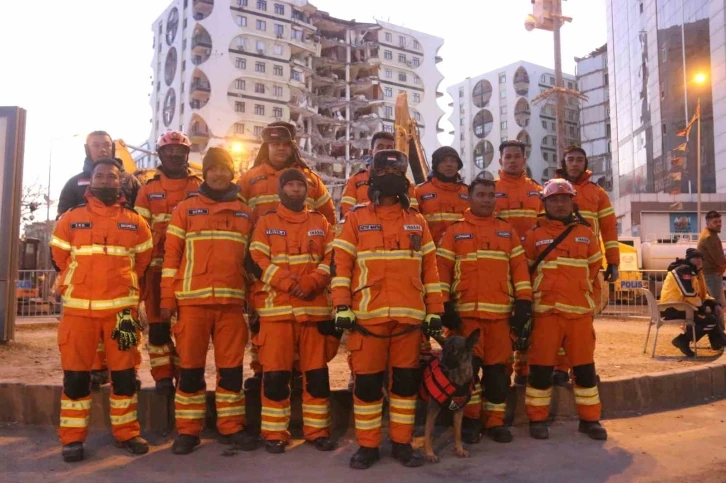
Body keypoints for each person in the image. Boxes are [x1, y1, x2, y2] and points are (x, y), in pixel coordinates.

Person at [332, 149, 444, 469]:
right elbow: (341, 266)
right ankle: (368, 446)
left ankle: (401, 443)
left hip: (409, 318)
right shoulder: (356, 218)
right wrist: (341, 305)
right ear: (373, 177)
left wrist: (434, 311)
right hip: (367, 318)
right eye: (385, 173)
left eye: (397, 173)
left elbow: (430, 271)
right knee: (367, 386)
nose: (391, 179)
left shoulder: (416, 221)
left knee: (405, 387)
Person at [50, 159, 153, 462]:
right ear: (91, 180)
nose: (106, 180)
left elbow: (143, 261)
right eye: (100, 176)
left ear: (120, 182)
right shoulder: (70, 219)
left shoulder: (135, 222)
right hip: (79, 314)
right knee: (76, 378)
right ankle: (72, 438)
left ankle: (127, 432)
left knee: (124, 376)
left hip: (122, 314)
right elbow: (59, 257)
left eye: (112, 176)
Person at [160, 148, 257, 454]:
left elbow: (252, 261)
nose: (218, 174)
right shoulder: (185, 209)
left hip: (230, 304)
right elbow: (171, 257)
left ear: (232, 173)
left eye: (224, 168)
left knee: (231, 371)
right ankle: (188, 431)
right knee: (190, 370)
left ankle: (232, 427)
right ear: (205, 172)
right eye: (212, 168)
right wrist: (167, 298)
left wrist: (253, 301)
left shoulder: (245, 211)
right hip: (191, 303)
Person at [238, 122, 336, 390]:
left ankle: (295, 371)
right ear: (266, 146)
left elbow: (329, 222)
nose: (280, 149)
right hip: (264, 269)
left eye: (285, 144)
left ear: (292, 145)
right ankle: (263, 370)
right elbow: (237, 217)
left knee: (304, 332)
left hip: (307, 273)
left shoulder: (312, 180)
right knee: (264, 325)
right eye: (274, 144)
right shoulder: (249, 179)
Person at [248, 169, 338, 454]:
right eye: (291, 185)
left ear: (308, 191)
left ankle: (317, 432)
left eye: (301, 185)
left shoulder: (321, 222)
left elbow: (332, 258)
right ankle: (274, 434)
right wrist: (288, 283)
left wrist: (313, 282)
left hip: (313, 311)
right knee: (275, 378)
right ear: (281, 190)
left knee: (317, 377)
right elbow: (256, 259)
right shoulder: (266, 222)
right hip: (277, 312)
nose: (296, 190)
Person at [436, 178, 532, 445]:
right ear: (469, 198)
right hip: (466, 321)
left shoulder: (506, 231)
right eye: (481, 195)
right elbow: (441, 269)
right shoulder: (455, 232)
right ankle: (471, 421)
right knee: (467, 375)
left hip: (501, 319)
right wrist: (444, 304)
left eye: (491, 195)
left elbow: (520, 269)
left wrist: (524, 301)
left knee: (499, 375)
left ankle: (495, 423)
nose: (487, 200)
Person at [520, 179, 607, 441]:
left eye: (565, 199)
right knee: (541, 369)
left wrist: (585, 299)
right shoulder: (534, 236)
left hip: (579, 315)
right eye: (554, 199)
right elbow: (524, 272)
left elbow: (594, 271)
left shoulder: (587, 233)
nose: (560, 204)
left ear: (572, 202)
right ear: (544, 204)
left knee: (584, 370)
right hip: (546, 314)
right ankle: (537, 419)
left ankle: (590, 420)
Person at [57, 130, 142, 389]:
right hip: (85, 285)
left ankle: (126, 372)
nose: (103, 149)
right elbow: (61, 236)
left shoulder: (130, 182)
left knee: (123, 337)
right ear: (87, 149)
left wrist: (128, 273)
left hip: (119, 287)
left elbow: (143, 245)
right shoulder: (75, 183)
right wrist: (70, 273)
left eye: (106, 145)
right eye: (96, 145)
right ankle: (95, 369)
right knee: (86, 334)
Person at [134, 131, 202, 395]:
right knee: (159, 327)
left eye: (179, 152)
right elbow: (139, 231)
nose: (174, 156)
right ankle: (163, 375)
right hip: (155, 268)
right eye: (169, 152)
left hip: (189, 268)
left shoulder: (198, 186)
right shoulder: (147, 189)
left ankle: (185, 372)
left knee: (187, 327)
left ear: (186, 155)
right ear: (161, 155)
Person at [554, 145, 620, 384]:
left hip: (587, 266)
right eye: (570, 159)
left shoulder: (598, 193)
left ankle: (582, 369)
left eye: (579, 160)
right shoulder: (551, 189)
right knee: (558, 320)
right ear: (563, 161)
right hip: (557, 266)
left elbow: (609, 229)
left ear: (585, 163)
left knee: (583, 322)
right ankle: (559, 369)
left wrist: (613, 261)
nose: (574, 163)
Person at [492, 140, 542, 386]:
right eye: (507, 156)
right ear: (500, 160)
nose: (512, 160)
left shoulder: (537, 191)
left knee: (528, 319)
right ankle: (504, 373)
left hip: (531, 266)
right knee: (503, 319)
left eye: (516, 156)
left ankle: (524, 372)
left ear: (524, 159)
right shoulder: (489, 191)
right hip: (500, 266)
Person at [661, 248, 725, 356]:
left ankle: (717, 341)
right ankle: (683, 340)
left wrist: (714, 304)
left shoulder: (695, 272)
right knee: (709, 319)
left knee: (712, 310)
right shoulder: (683, 270)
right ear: (689, 259)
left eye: (701, 258)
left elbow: (701, 295)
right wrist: (702, 308)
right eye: (696, 258)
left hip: (684, 306)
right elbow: (688, 293)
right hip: (672, 309)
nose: (699, 260)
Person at [340, 132, 418, 219]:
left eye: (389, 148)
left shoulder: (405, 182)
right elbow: (347, 211)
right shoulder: (355, 181)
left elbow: (412, 213)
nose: (384, 151)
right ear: (371, 152)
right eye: (380, 147)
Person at [415, 146, 469, 244]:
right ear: (436, 165)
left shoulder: (469, 192)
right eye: (444, 161)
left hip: (462, 251)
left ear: (458, 165)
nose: (449, 164)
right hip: (432, 252)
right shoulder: (420, 191)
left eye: (452, 161)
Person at [697, 211, 726, 333]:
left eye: (720, 221)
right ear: (708, 223)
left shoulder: (710, 234)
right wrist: (722, 267)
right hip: (712, 276)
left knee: (719, 305)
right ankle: (719, 336)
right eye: (715, 222)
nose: (719, 224)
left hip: (712, 275)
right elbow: (719, 259)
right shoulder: (710, 237)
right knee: (717, 306)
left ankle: (720, 334)